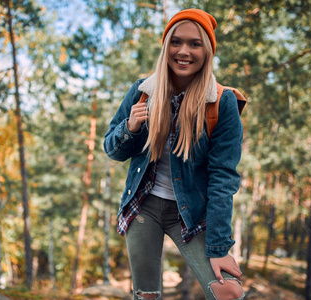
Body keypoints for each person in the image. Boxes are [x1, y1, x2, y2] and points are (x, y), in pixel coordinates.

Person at [103, 8, 245, 300]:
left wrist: (218, 247)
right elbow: (111, 150)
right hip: (144, 208)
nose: (184, 51)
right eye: (176, 42)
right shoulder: (143, 91)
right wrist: (129, 127)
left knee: (228, 293)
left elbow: (223, 178)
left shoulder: (222, 101)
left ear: (207, 51)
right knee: (147, 296)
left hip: (193, 214)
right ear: (166, 46)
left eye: (195, 44)